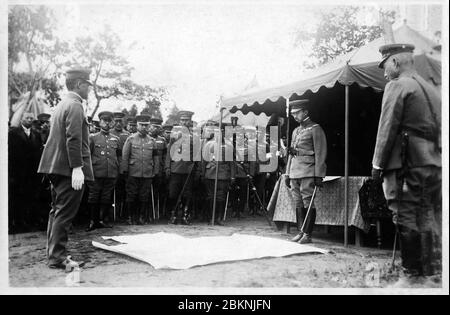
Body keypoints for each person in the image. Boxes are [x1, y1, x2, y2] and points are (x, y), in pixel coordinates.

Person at [373, 44, 442, 281]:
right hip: (434, 162)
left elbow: (387, 127)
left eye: (385, 66)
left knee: (404, 214)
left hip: (407, 162)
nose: (384, 74)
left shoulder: (397, 85)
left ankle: (411, 276)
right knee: (428, 214)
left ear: (395, 62)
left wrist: (377, 164)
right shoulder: (432, 88)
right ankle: (432, 273)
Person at [37, 66, 94, 270]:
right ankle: (58, 258)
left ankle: (53, 254)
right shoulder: (75, 105)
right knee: (64, 213)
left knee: (57, 211)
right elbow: (73, 139)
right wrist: (77, 168)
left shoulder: (63, 104)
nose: (89, 89)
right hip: (67, 169)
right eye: (87, 85)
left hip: (56, 167)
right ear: (79, 84)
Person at [286, 99, 327, 244]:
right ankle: (300, 231)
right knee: (298, 202)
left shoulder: (315, 129)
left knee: (308, 202)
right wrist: (287, 173)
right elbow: (291, 153)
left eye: (297, 113)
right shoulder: (296, 131)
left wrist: (319, 175)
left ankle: (308, 234)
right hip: (294, 171)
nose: (294, 116)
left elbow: (321, 153)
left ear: (305, 112)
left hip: (308, 171)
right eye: (293, 114)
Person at [86, 111, 121, 231]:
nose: (106, 123)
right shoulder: (93, 138)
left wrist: (117, 170)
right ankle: (93, 221)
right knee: (93, 196)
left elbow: (118, 157)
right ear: (100, 122)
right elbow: (88, 156)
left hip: (111, 173)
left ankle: (102, 220)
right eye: (104, 120)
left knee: (106, 197)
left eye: (109, 121)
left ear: (112, 123)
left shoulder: (116, 139)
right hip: (96, 172)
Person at [8, 111, 43, 232]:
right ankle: (16, 223)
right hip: (18, 173)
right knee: (17, 199)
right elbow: (10, 155)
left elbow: (38, 153)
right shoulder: (13, 134)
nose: (29, 120)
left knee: (30, 197)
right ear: (21, 119)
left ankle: (28, 222)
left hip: (32, 173)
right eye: (27, 118)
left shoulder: (36, 134)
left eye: (31, 118)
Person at [121, 115, 158, 225]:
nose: (144, 127)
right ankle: (130, 217)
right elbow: (125, 156)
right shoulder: (131, 139)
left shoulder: (152, 141)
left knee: (144, 196)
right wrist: (125, 171)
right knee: (131, 195)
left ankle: (142, 217)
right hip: (133, 172)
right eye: (141, 125)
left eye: (146, 125)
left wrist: (155, 172)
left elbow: (155, 157)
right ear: (137, 125)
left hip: (147, 173)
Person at [166, 111, 198, 225]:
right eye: (183, 120)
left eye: (187, 120)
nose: (185, 122)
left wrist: (195, 168)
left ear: (190, 121)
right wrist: (167, 167)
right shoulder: (174, 135)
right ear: (180, 121)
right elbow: (169, 152)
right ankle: (173, 214)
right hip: (175, 169)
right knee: (173, 194)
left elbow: (197, 154)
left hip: (188, 170)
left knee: (187, 194)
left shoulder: (195, 136)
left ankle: (185, 215)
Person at [202, 124, 236, 225]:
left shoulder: (229, 145)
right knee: (210, 197)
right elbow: (204, 161)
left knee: (221, 197)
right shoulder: (208, 144)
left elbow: (231, 162)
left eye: (222, 132)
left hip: (223, 174)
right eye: (217, 132)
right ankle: (210, 217)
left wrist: (232, 176)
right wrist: (203, 173)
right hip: (210, 173)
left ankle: (219, 218)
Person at [111, 111, 130, 221]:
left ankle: (122, 214)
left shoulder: (127, 135)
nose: (118, 123)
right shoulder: (109, 133)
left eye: (120, 121)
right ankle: (111, 214)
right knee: (110, 193)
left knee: (123, 192)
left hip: (124, 169)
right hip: (112, 168)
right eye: (116, 121)